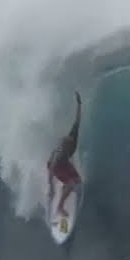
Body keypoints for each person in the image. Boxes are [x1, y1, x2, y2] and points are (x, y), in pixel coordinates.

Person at [47, 91, 82, 220]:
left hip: (64, 164)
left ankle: (65, 187)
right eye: (68, 145)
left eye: (70, 143)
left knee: (78, 182)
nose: (71, 145)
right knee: (72, 184)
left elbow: (77, 120)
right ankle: (59, 207)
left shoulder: (73, 136)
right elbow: (51, 170)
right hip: (56, 167)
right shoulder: (60, 154)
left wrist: (79, 104)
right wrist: (51, 187)